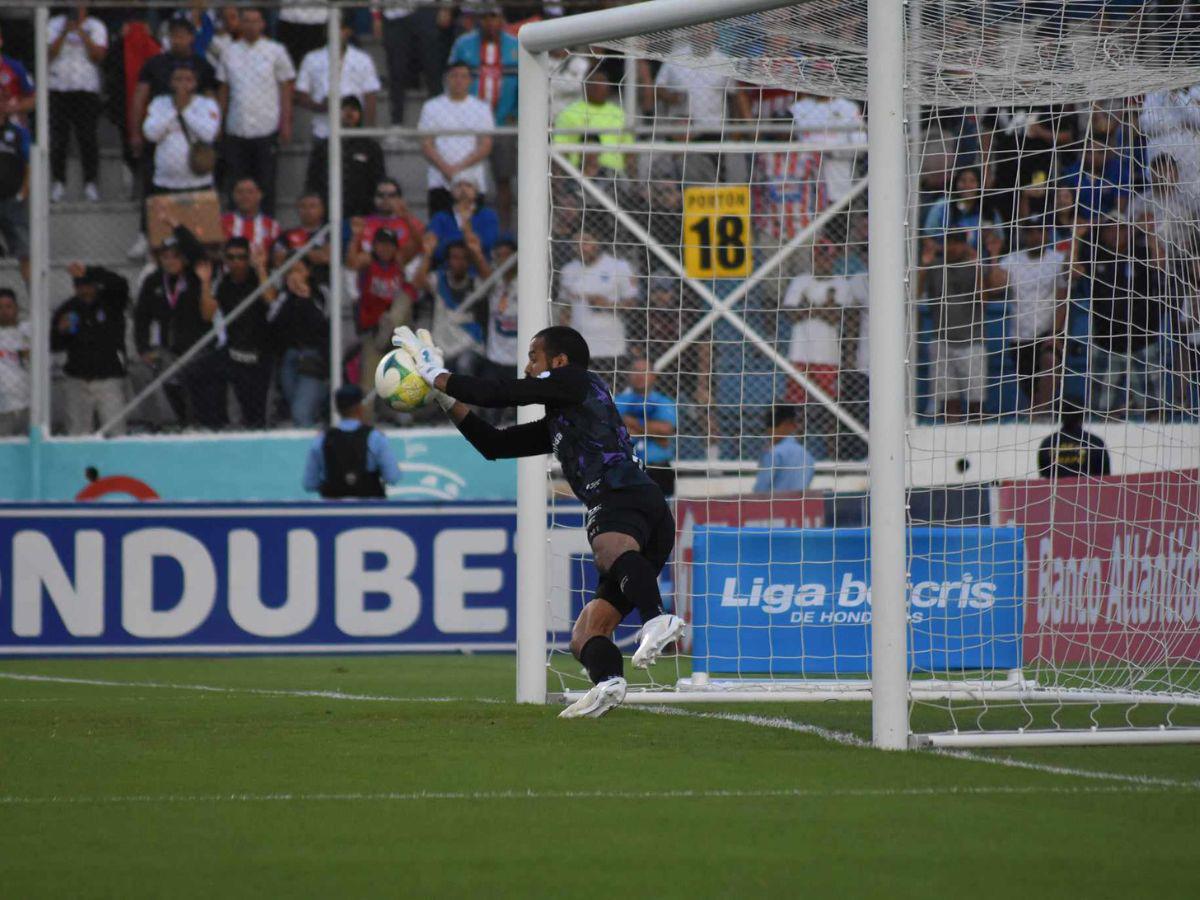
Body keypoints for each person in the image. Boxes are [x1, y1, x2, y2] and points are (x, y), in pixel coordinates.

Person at [394, 324, 684, 718]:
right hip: (644, 512)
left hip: (623, 496)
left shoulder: (575, 381)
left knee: (606, 550)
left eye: (533, 358)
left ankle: (658, 619)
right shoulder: (564, 417)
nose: (528, 367)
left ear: (559, 362)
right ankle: (607, 683)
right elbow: (494, 445)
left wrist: (434, 372)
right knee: (586, 633)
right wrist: (444, 397)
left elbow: (500, 392)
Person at [133, 230, 222, 429]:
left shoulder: (196, 276)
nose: (171, 261)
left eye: (176, 256)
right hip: (169, 350)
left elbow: (200, 253)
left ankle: (201, 425)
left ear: (184, 257)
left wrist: (177, 226)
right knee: (148, 376)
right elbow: (141, 317)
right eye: (165, 257)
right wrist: (143, 348)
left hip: (199, 349)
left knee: (198, 395)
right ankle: (161, 424)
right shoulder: (153, 281)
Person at [216, 6, 295, 216]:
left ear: (263, 23)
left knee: (266, 184)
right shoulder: (229, 52)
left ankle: (267, 229)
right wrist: (218, 122)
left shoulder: (275, 51)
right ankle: (235, 231)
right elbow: (224, 89)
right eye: (246, 21)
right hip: (236, 127)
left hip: (266, 127)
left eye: (255, 21)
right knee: (235, 183)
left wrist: (286, 122)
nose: (251, 25)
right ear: (240, 23)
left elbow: (285, 87)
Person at [447, 4, 519, 224]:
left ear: (502, 19)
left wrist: (516, 112)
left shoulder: (516, 46)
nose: (491, 23)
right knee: (465, 180)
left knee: (503, 179)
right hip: (469, 125)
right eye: (486, 17)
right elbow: (451, 77)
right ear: (479, 19)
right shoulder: (463, 44)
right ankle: (466, 227)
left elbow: (528, 82)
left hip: (502, 123)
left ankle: (504, 231)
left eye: (495, 17)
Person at [50, 263, 130, 435]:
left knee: (116, 431)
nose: (84, 290)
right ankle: (80, 462)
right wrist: (60, 331)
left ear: (96, 285)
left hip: (108, 378)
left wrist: (90, 271)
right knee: (78, 434)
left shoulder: (111, 302)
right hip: (77, 380)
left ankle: (116, 462)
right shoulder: (67, 308)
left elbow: (120, 283)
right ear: (74, 287)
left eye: (88, 286)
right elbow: (53, 345)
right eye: (79, 286)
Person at [917, 230, 988, 421]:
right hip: (942, 342)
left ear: (965, 244)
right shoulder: (935, 266)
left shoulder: (974, 266)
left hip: (971, 342)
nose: (953, 247)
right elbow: (914, 294)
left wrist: (979, 266)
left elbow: (984, 300)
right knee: (949, 403)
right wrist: (924, 265)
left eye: (958, 243)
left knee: (976, 404)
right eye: (949, 242)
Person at [347, 224, 416, 408]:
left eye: (390, 245)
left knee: (406, 295)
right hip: (374, 332)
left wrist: (404, 215)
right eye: (381, 244)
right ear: (374, 246)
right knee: (368, 385)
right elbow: (351, 261)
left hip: (397, 332)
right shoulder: (368, 264)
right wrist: (356, 238)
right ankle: (364, 422)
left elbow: (417, 245)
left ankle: (405, 416)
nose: (385, 248)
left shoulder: (399, 266)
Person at [47, 4, 108, 203]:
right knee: (58, 138)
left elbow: (98, 56)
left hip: (86, 89)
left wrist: (81, 32)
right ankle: (58, 182)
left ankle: (90, 183)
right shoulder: (54, 24)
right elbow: (48, 54)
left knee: (87, 137)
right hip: (58, 87)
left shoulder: (96, 26)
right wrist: (65, 31)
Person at [418, 62, 495, 217]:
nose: (458, 80)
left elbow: (485, 145)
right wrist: (446, 169)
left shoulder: (481, 108)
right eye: (454, 76)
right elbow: (426, 144)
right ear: (446, 79)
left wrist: (458, 169)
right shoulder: (431, 107)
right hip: (440, 180)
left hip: (473, 182)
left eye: (463, 76)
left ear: (470, 81)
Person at [558, 230, 639, 375]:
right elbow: (565, 308)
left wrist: (607, 305)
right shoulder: (568, 270)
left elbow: (633, 304)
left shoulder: (619, 267)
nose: (581, 247)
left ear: (598, 241)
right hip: (578, 348)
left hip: (611, 347)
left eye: (586, 241)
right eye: (576, 243)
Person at [303, 383, 401, 498]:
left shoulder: (321, 439)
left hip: (332, 511)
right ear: (360, 407)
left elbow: (309, 484)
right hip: (370, 510)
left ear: (337, 408)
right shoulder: (375, 438)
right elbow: (392, 477)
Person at [213, 237, 272, 428]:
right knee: (241, 407)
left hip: (262, 351)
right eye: (231, 257)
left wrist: (261, 267)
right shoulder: (223, 284)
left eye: (241, 257)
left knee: (260, 408)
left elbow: (270, 299)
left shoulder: (259, 278)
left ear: (248, 258)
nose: (236, 262)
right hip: (235, 352)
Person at [294, 14, 379, 142]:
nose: (335, 33)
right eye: (331, 29)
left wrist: (367, 132)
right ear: (325, 32)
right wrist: (321, 106)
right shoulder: (311, 59)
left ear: (348, 31)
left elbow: (370, 96)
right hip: (323, 130)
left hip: (354, 129)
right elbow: (301, 94)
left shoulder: (362, 60)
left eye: (340, 29)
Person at [265, 255, 328, 427]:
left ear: (308, 272)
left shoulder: (320, 292)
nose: (294, 275)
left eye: (299, 270)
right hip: (290, 358)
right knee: (297, 410)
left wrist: (305, 296)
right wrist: (288, 297)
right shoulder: (283, 296)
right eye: (290, 271)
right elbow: (272, 320)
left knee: (301, 412)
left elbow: (321, 323)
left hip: (313, 359)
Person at [142, 63, 221, 197]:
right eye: (178, 79)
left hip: (199, 182)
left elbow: (208, 134)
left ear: (196, 83)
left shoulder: (207, 104)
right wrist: (174, 110)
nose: (182, 83)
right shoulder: (159, 103)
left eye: (188, 79)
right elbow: (151, 134)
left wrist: (185, 110)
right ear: (171, 82)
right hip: (164, 182)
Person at [413, 232, 488, 372]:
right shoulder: (439, 279)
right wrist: (428, 253)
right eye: (455, 258)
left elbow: (492, 282)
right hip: (442, 348)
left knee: (464, 365)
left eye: (464, 258)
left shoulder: (474, 283)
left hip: (470, 347)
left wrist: (477, 254)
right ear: (448, 260)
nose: (459, 262)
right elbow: (417, 283)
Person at [304, 95, 385, 219]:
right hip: (329, 211)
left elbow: (378, 178)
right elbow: (313, 179)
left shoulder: (370, 147)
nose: (349, 114)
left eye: (353, 109)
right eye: (344, 109)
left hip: (362, 213)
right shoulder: (324, 147)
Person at [376, 0, 454, 126]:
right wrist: (376, 15)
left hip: (426, 9)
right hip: (394, 13)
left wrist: (446, 7)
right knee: (397, 71)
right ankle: (397, 124)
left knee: (433, 70)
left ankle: (440, 122)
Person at [615, 356, 678, 497]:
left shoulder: (664, 402)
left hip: (658, 469)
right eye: (635, 371)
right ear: (628, 375)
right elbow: (612, 428)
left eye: (644, 371)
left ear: (654, 376)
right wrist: (653, 431)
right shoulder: (617, 402)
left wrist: (631, 423)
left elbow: (665, 430)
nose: (639, 375)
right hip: (625, 469)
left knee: (661, 516)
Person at [553, 74, 632, 175]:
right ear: (586, 87)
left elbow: (629, 149)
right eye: (596, 86)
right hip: (578, 173)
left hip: (614, 175)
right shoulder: (569, 113)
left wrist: (633, 179)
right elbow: (561, 149)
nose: (601, 89)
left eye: (605, 86)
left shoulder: (618, 113)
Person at [426, 177, 499, 266]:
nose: (463, 189)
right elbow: (435, 249)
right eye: (458, 186)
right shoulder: (440, 217)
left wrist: (464, 230)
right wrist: (467, 239)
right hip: (447, 268)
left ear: (476, 192)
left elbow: (489, 243)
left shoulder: (488, 215)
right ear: (452, 192)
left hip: (480, 268)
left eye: (468, 185)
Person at [1037, 402, 1112, 478]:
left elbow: (1043, 476)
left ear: (1059, 416)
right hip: (1088, 489)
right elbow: (1106, 477)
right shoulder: (1095, 442)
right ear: (1082, 416)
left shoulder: (1047, 443)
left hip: (1055, 489)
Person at [753, 404, 816, 493]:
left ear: (788, 424)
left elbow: (760, 490)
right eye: (769, 424)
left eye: (774, 424)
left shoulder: (773, 453)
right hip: (800, 505)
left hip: (774, 505)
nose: (769, 430)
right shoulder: (807, 455)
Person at [275, 190, 331, 284]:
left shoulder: (329, 233)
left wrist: (293, 252)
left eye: (313, 206)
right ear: (297, 209)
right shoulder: (286, 235)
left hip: (322, 286)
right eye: (303, 207)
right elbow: (278, 259)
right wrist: (312, 253)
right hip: (292, 285)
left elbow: (326, 257)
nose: (307, 210)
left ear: (322, 209)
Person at [0, 106, 30, 283]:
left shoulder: (18, 132)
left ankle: (35, 298)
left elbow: (29, 163)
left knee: (24, 252)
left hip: (12, 200)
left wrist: (23, 192)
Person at [221, 176, 279, 258]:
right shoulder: (221, 223)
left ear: (260, 195)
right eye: (240, 192)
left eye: (250, 192)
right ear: (233, 195)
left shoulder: (272, 226)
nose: (245, 196)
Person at [0, 287, 29, 435]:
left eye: (8, 306)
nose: (4, 311)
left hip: (27, 404)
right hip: (3, 407)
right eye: (0, 307)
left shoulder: (26, 330)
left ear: (17, 308)